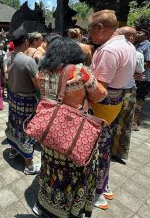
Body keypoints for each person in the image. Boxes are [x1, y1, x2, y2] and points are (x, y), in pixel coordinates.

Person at [32, 37, 107, 218]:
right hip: (75, 135)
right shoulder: (80, 72)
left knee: (50, 169)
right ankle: (71, 210)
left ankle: (44, 205)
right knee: (76, 172)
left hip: (51, 133)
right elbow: (100, 96)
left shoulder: (42, 73)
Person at [87, 10, 136, 209]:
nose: (89, 35)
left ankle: (97, 191)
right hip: (116, 101)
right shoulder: (127, 45)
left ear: (100, 28)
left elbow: (100, 90)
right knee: (105, 144)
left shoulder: (108, 50)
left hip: (102, 105)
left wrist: (81, 82)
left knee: (97, 148)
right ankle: (104, 185)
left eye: (90, 30)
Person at [6, 27, 40, 175]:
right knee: (27, 130)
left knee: (14, 125)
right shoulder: (28, 61)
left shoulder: (9, 58)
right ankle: (29, 165)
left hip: (13, 99)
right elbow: (37, 84)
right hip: (26, 101)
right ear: (26, 42)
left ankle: (13, 151)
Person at [111, 27, 145, 164]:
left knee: (114, 121)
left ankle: (110, 150)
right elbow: (139, 74)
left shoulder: (111, 50)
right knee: (123, 122)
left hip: (116, 89)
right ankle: (117, 152)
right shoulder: (137, 54)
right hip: (127, 89)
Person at [133, 24, 150, 130]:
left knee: (139, 100)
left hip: (144, 78)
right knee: (133, 99)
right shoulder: (136, 45)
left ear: (146, 35)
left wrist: (137, 64)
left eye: (140, 32)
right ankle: (136, 120)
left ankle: (134, 123)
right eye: (137, 32)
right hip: (135, 77)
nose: (137, 34)